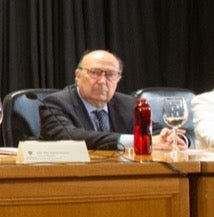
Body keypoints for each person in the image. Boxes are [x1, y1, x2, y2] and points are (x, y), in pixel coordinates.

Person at [39, 49, 188, 152]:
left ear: (118, 79)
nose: (103, 81)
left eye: (110, 75)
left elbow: (155, 132)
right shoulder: (55, 104)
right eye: (95, 73)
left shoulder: (128, 104)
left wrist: (172, 137)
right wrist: (137, 141)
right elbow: (72, 138)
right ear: (77, 76)